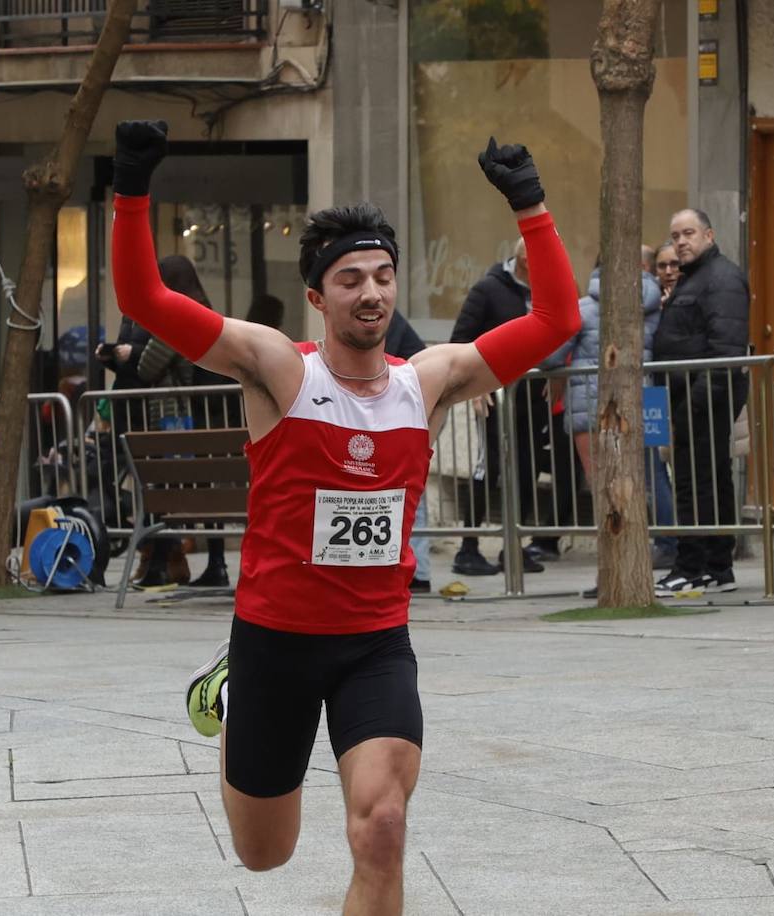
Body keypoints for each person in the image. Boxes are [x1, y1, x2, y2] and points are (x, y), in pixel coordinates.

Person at [110, 121, 578, 913]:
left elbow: (556, 322)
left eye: (384, 276)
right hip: (274, 642)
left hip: (374, 645)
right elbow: (144, 300)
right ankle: (229, 699)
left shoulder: (426, 382)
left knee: (384, 825)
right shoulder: (277, 369)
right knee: (266, 855)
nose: (372, 293)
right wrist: (130, 189)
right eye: (352, 278)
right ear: (319, 295)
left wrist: (531, 205)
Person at [449, 238, 575, 575]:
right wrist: (470, 387)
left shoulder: (546, 292)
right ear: (524, 262)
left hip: (532, 399)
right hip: (494, 397)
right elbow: (460, 343)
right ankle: (468, 547)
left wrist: (558, 369)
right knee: (488, 467)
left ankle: (513, 546)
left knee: (527, 469)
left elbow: (560, 335)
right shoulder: (488, 290)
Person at [548, 258, 663, 598]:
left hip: (591, 409)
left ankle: (611, 575)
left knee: (604, 491)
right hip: (639, 405)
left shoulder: (583, 308)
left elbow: (552, 355)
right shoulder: (654, 307)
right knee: (636, 487)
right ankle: (636, 570)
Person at [651, 209, 750, 597]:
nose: (680, 242)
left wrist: (693, 404)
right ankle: (714, 566)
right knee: (703, 481)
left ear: (708, 235)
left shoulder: (721, 278)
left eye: (688, 233)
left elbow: (724, 347)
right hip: (690, 397)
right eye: (675, 235)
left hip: (704, 398)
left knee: (699, 484)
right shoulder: (695, 278)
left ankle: (694, 566)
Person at [137, 254, 232, 589]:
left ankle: (160, 562)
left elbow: (148, 366)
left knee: (169, 487)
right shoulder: (212, 317)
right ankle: (216, 563)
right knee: (207, 491)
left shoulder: (178, 318)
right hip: (213, 423)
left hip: (177, 417)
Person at [385, 309, 432, 594]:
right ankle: (416, 566)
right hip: (401, 404)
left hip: (408, 405)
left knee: (411, 483)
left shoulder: (385, 320)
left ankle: (419, 568)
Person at [647, 242, 682, 569]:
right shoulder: (651, 303)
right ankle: (668, 540)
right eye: (662, 266)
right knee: (656, 467)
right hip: (655, 393)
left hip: (683, 393)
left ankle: (674, 540)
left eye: (674, 264)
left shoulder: (688, 298)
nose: (669, 271)